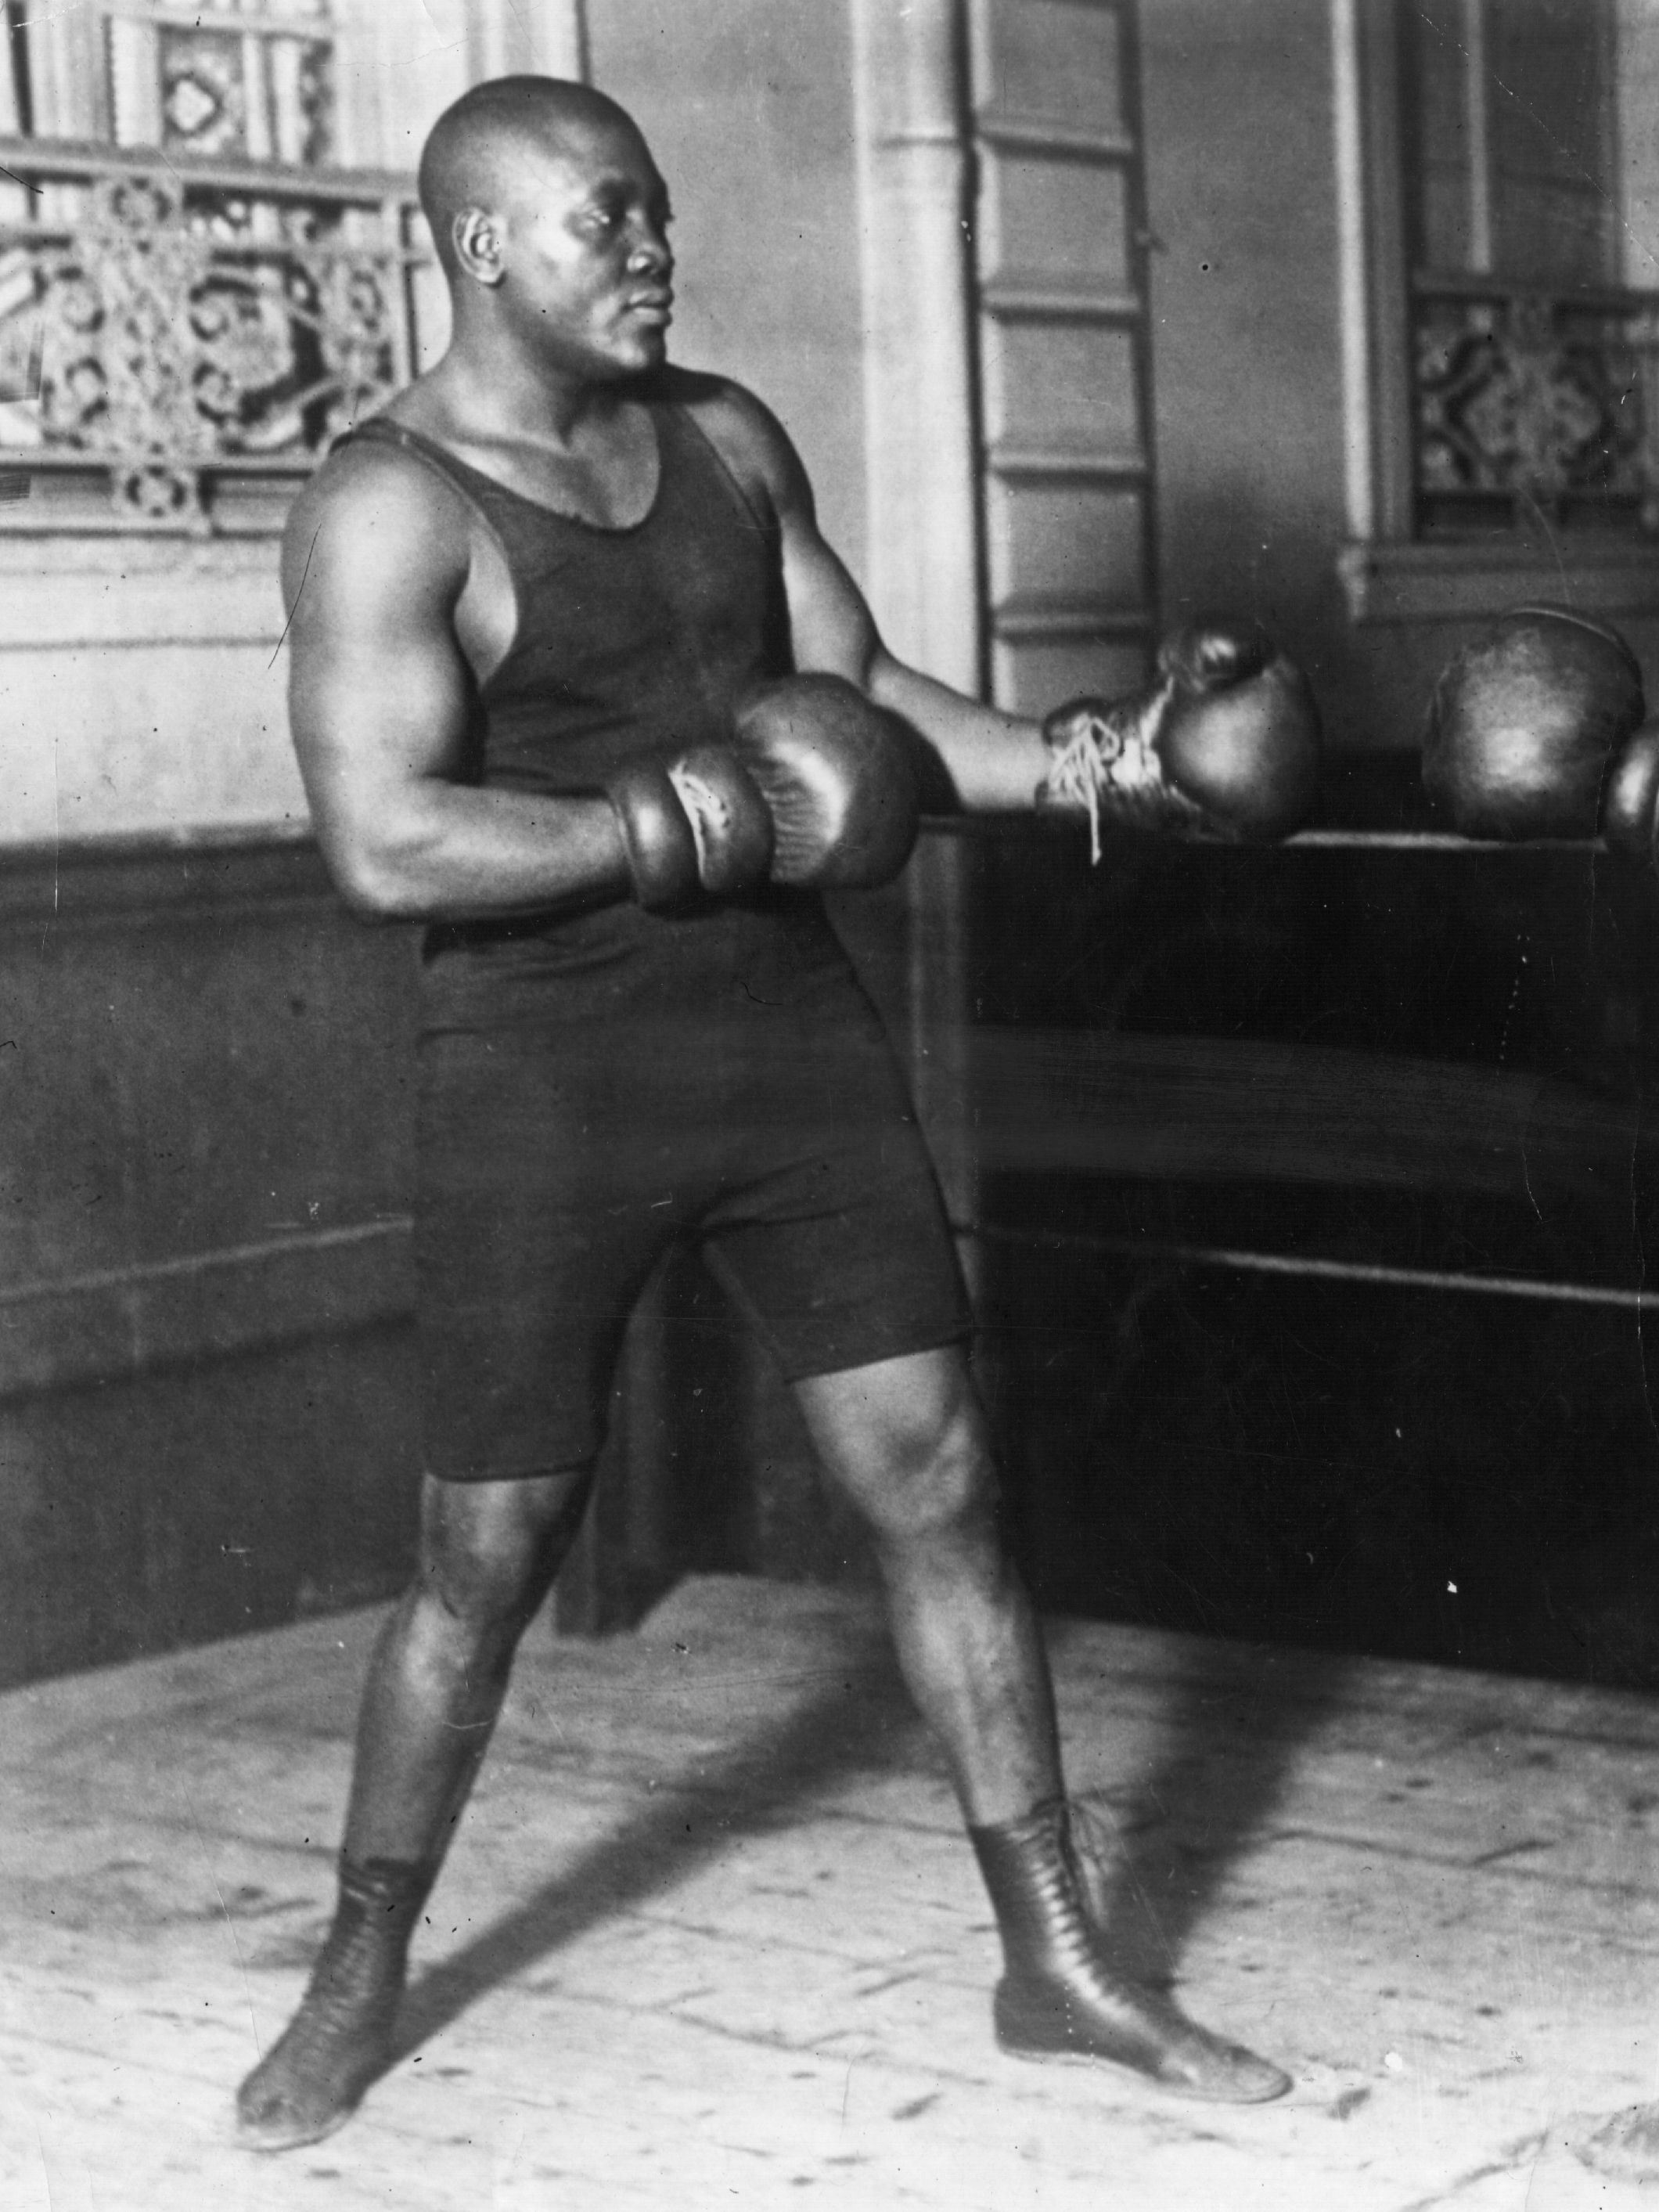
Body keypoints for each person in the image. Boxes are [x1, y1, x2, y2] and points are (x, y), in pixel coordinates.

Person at [236, 73, 1302, 2153]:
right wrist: (660, 817)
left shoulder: (726, 439)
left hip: (781, 1040)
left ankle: (1057, 1955)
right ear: (478, 245)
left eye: (655, 213)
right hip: (543, 1065)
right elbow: (382, 840)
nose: (651, 249)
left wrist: (1110, 767)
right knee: (488, 1549)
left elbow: (868, 703)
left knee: (942, 1466)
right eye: (602, 217)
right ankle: (355, 1968)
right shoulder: (389, 504)